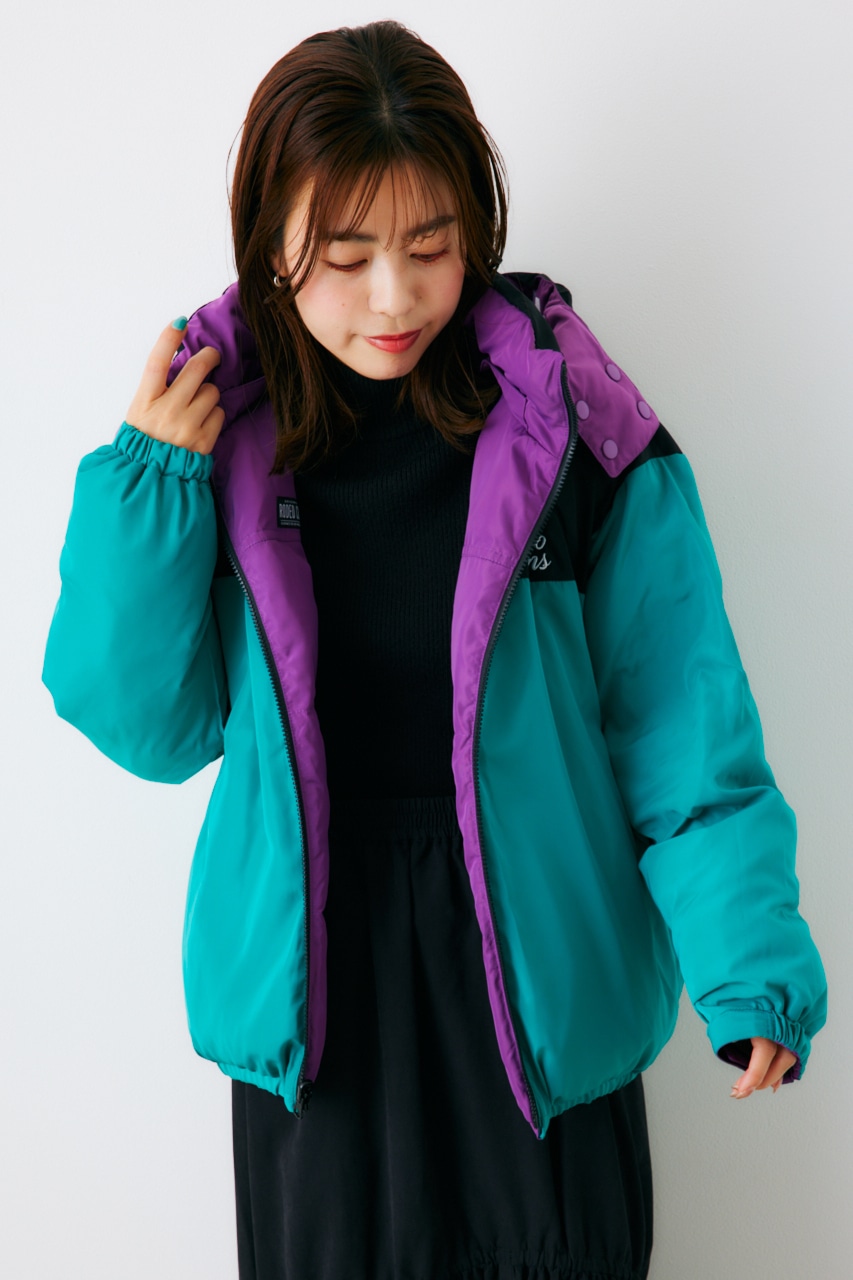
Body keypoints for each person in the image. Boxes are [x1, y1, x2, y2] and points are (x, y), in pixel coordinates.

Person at [42, 19, 827, 1280]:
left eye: (429, 246)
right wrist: (149, 484)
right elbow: (149, 726)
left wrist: (748, 969)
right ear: (272, 244)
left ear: (478, 230)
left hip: (541, 969)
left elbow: (680, 709)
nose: (394, 298)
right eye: (347, 255)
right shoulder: (217, 440)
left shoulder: (573, 425)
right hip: (317, 994)